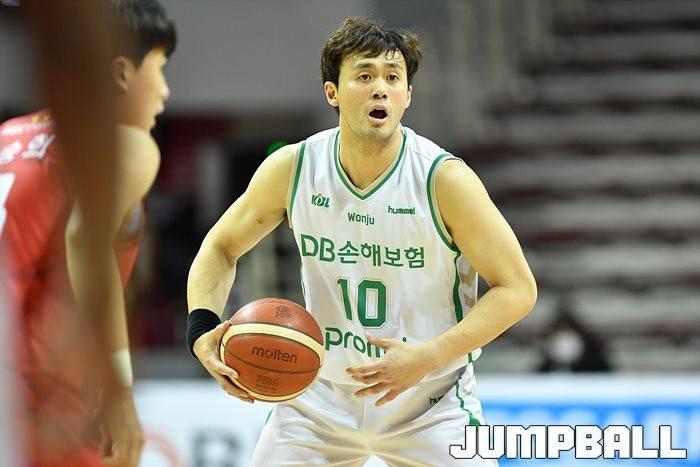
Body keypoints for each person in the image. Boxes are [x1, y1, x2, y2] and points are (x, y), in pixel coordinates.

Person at [187, 17, 537, 466]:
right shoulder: (294, 168)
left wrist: (429, 356)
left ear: (407, 95)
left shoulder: (444, 180)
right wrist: (201, 330)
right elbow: (220, 247)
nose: (380, 89)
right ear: (332, 92)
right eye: (365, 75)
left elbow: (517, 288)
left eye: (393, 78)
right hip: (319, 399)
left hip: (428, 402)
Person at [0, 1, 176, 466]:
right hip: (33, 386)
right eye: (160, 68)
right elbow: (83, 238)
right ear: (121, 73)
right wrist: (117, 387)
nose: (165, 92)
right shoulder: (128, 142)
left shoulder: (8, 134)